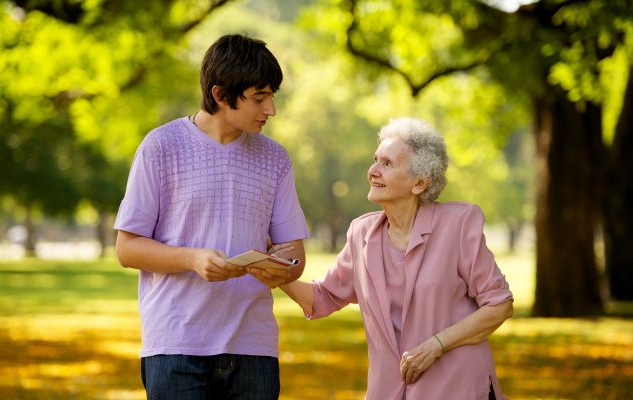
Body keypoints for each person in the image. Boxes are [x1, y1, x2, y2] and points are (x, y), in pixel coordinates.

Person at [113, 33, 308, 399]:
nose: (270, 110)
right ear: (220, 95)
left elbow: (294, 253)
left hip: (254, 348)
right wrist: (193, 259)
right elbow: (127, 249)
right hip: (175, 345)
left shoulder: (276, 158)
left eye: (271, 97)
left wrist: (283, 267)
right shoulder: (161, 146)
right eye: (259, 98)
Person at [263, 117, 514, 399]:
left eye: (387, 164)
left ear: (420, 182)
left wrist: (436, 345)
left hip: (457, 387)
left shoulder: (457, 225)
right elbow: (320, 298)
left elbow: (499, 305)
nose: (372, 171)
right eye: (375, 160)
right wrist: (270, 266)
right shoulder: (361, 234)